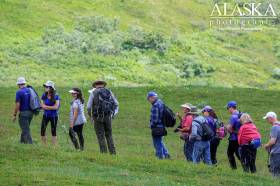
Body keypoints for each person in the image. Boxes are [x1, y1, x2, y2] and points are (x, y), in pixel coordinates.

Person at [87, 80, 118, 155]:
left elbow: (88, 107)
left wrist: (90, 116)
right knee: (109, 135)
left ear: (95, 86)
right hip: (108, 116)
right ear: (103, 85)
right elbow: (116, 103)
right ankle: (113, 153)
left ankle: (104, 153)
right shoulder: (109, 91)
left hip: (97, 117)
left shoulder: (93, 93)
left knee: (100, 135)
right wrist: (113, 114)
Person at [147, 91, 170, 159]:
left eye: (148, 99)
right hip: (162, 126)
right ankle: (166, 154)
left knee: (157, 143)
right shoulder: (160, 102)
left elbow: (155, 119)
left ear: (152, 98)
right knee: (160, 141)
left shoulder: (155, 106)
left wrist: (151, 125)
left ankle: (160, 157)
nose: (149, 101)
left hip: (157, 127)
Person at [12, 77, 34, 144]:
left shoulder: (19, 92)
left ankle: (30, 144)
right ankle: (22, 142)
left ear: (18, 84)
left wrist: (14, 115)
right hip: (31, 113)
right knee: (25, 127)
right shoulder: (30, 90)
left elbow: (17, 105)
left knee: (25, 129)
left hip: (24, 113)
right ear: (24, 83)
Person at [40, 81, 60, 145]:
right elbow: (42, 105)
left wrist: (46, 107)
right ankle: (44, 145)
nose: (45, 88)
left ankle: (54, 145)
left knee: (53, 130)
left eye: (46, 87)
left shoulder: (56, 96)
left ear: (51, 88)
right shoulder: (44, 95)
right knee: (42, 129)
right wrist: (46, 106)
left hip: (53, 116)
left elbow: (56, 107)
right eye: (45, 86)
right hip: (45, 115)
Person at [263, 112, 280, 178]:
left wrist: (266, 145)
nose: (267, 120)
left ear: (271, 118)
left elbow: (273, 141)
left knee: (275, 172)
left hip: (276, 152)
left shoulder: (275, 127)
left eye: (267, 119)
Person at [226, 101, 242, 169]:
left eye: (227, 108)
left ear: (231, 107)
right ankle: (245, 167)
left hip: (234, 138)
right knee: (234, 153)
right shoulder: (241, 114)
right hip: (240, 138)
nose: (227, 110)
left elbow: (229, 128)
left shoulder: (233, 116)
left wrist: (224, 127)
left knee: (233, 153)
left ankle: (234, 168)